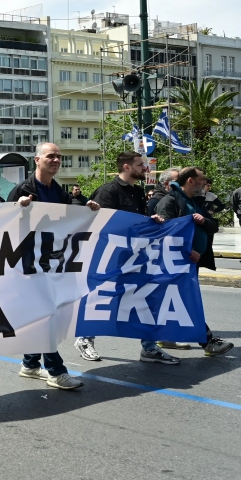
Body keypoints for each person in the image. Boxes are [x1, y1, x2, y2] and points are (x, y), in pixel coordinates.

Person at [7, 142, 97, 390]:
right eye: (50, 156)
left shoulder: (59, 192)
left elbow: (69, 220)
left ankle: (30, 364)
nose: (56, 160)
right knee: (46, 315)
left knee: (44, 315)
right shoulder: (22, 190)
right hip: (27, 266)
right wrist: (17, 209)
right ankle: (56, 371)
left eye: (59, 156)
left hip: (51, 264)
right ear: (37, 160)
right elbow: (3, 223)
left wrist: (87, 210)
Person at [79, 152, 177, 363]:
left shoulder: (138, 192)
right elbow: (101, 226)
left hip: (135, 257)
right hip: (111, 259)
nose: (145, 168)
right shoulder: (107, 191)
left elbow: (138, 222)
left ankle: (149, 348)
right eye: (140, 165)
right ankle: (85, 338)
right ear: (126, 167)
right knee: (102, 298)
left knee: (146, 298)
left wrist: (151, 220)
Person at [155, 167, 235, 357]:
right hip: (178, 262)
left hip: (191, 262)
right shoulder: (170, 201)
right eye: (201, 179)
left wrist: (204, 222)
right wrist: (188, 251)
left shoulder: (195, 202)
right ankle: (207, 341)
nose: (204, 183)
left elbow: (214, 225)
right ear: (190, 181)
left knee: (178, 301)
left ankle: (163, 337)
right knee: (187, 300)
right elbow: (166, 232)